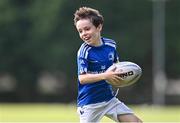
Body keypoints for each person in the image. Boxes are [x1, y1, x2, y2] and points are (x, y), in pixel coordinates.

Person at [73, 6, 142, 123]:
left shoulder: (111, 45)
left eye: (87, 29)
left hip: (109, 100)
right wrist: (106, 75)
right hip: (90, 104)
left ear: (99, 26)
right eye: (80, 31)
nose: (84, 33)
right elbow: (82, 78)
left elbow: (116, 67)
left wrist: (120, 78)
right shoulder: (84, 51)